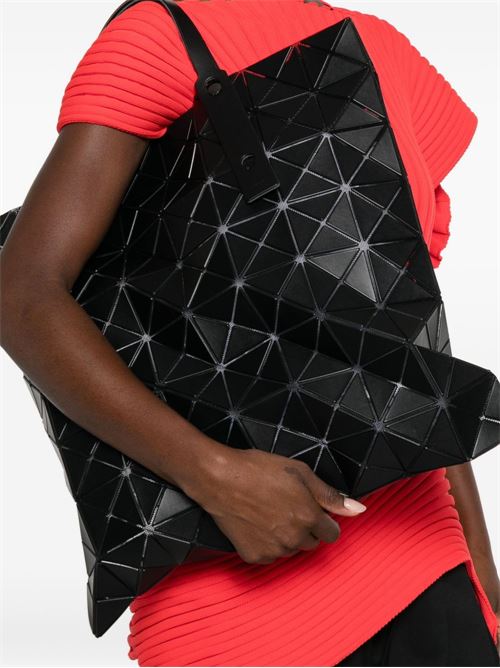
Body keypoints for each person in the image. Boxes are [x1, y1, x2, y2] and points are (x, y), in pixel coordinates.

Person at [1, 0, 499, 665]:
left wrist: (484, 580)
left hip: (428, 572)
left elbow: (407, 346)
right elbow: (22, 295)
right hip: (234, 616)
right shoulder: (161, 37)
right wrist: (216, 477)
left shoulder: (388, 50)